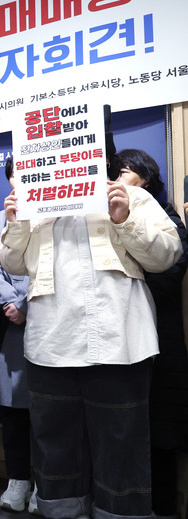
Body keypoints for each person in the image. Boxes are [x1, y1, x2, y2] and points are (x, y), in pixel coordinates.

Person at [0, 155, 182, 519]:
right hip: (50, 344)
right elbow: (12, 262)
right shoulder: (33, 201)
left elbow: (167, 255)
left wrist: (125, 218)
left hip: (120, 342)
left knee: (122, 447)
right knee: (55, 448)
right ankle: (60, 511)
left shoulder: (130, 195)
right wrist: (16, 222)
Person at [112, 149, 188, 519]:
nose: (119, 178)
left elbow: (168, 273)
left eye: (127, 172)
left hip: (157, 336)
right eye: (115, 172)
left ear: (146, 179)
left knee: (158, 427)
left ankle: (162, 508)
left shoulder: (164, 216)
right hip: (114, 340)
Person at [0, 157, 36, 514]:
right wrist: (11, 303)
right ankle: (18, 479)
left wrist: (26, 305)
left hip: (48, 318)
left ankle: (47, 483)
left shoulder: (56, 214)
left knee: (49, 409)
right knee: (13, 409)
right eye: (16, 174)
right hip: (8, 325)